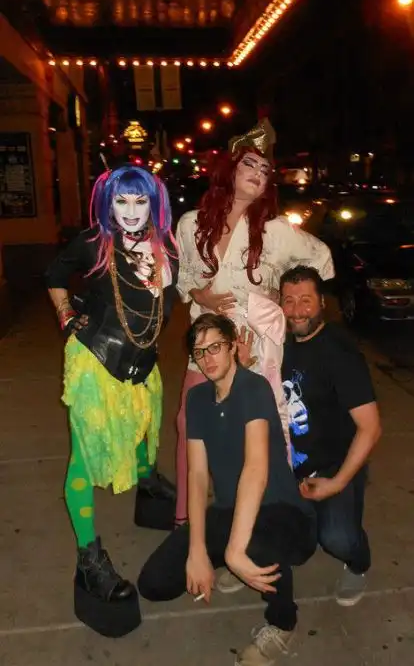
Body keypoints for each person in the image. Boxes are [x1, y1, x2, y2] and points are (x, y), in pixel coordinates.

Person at [174, 118, 335, 525]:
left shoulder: (276, 231)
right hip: (208, 344)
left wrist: (284, 302)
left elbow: (321, 260)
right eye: (249, 164)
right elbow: (182, 275)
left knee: (255, 433)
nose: (258, 174)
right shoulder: (191, 223)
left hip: (256, 348)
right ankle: (185, 519)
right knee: (189, 423)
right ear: (229, 169)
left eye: (265, 170)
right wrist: (198, 294)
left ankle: (266, 515)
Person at [138, 313, 316, 666]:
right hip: (229, 510)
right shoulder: (198, 399)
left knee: (255, 545)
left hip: (283, 512)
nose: (208, 358)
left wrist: (234, 551)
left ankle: (283, 624)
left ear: (233, 346)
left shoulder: (253, 388)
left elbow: (255, 470)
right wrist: (197, 550)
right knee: (154, 584)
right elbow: (197, 475)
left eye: (215, 347)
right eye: (200, 352)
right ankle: (234, 556)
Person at [45, 164, 178, 637]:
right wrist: (65, 313)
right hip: (95, 365)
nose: (131, 211)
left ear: (154, 204)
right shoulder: (94, 243)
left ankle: (148, 484)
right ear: (108, 204)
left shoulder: (167, 247)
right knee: (85, 456)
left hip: (141, 364)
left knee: (144, 432)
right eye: (121, 201)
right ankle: (89, 559)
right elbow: (54, 272)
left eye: (140, 201)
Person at [279, 265, 381, 606]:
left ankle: (359, 562)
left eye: (306, 300)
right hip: (294, 464)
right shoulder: (280, 344)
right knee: (294, 547)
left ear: (322, 302)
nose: (297, 310)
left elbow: (371, 427)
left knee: (337, 538)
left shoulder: (339, 353)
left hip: (335, 464)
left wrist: (337, 483)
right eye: (289, 300)